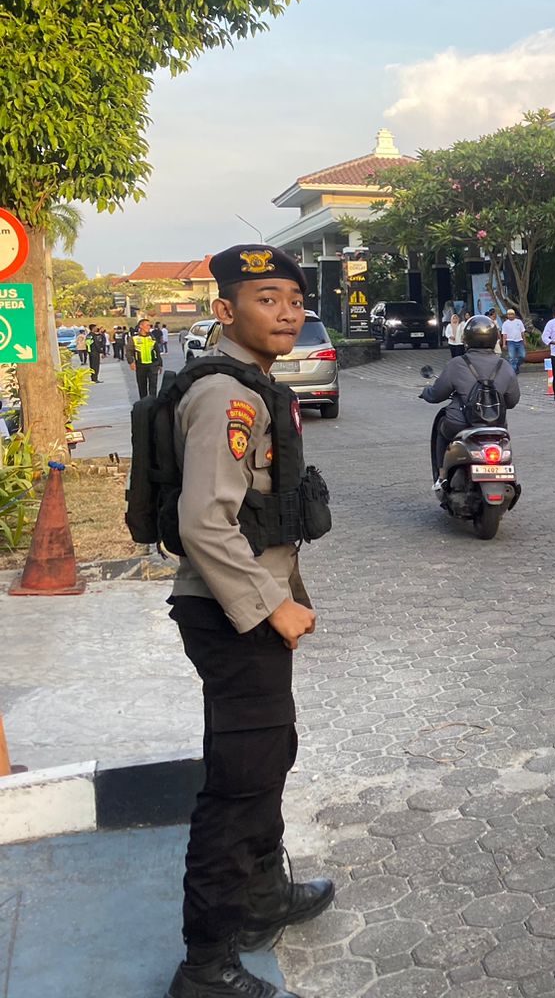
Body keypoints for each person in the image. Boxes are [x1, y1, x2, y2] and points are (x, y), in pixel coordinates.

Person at [163, 244, 334, 998]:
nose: (288, 313)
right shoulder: (226, 397)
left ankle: (263, 896)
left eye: (295, 300)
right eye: (268, 299)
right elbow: (204, 522)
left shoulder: (254, 385)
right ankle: (204, 965)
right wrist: (274, 606)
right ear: (225, 310)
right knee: (238, 786)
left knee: (265, 759)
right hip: (231, 612)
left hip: (245, 608)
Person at [419, 314, 520, 486]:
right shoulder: (505, 365)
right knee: (504, 443)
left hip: (460, 423)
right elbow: (512, 401)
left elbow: (436, 395)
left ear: (466, 339)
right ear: (495, 338)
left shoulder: (457, 363)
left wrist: (425, 392)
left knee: (441, 427)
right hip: (495, 425)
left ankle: (442, 476)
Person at [130, 319, 162, 399]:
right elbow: (129, 351)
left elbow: (157, 351)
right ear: (141, 326)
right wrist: (131, 362)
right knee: (142, 387)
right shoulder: (134, 338)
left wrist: (160, 364)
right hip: (140, 365)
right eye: (147, 325)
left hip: (153, 365)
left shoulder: (152, 337)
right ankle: (144, 403)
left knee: (153, 386)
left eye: (149, 325)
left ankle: (153, 402)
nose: (149, 327)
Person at [500, 307, 528, 375]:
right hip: (511, 342)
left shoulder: (519, 322)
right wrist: (504, 344)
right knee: (512, 357)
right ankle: (513, 371)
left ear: (514, 315)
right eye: (509, 314)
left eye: (511, 314)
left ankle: (516, 365)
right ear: (507, 315)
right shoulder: (505, 324)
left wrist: (524, 341)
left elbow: (522, 332)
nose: (510, 316)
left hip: (519, 341)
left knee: (522, 356)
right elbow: (504, 335)